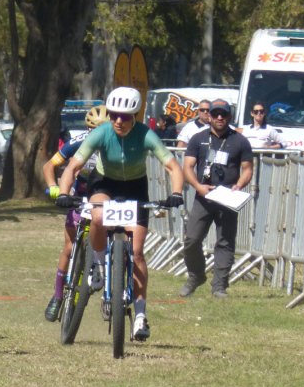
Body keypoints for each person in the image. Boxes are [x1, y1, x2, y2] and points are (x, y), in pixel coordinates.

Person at [55, 87, 185, 341]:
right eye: (114, 115)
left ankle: (139, 315)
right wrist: (62, 191)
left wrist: (177, 192)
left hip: (136, 187)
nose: (118, 121)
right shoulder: (102, 133)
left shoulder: (146, 135)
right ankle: (99, 266)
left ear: (135, 116)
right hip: (104, 183)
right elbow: (74, 165)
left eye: (125, 117)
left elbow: (171, 165)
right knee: (99, 216)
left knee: (136, 253)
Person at [178, 98, 254, 299]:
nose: (220, 117)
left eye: (224, 114)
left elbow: (247, 170)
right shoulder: (198, 139)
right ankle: (196, 275)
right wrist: (197, 186)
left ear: (229, 116)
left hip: (228, 197)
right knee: (192, 239)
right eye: (215, 114)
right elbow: (187, 167)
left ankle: (219, 286)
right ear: (208, 116)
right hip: (204, 196)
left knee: (225, 241)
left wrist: (240, 184)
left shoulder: (240, 141)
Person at [42, 104, 108, 322]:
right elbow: (49, 166)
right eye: (93, 130)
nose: (96, 135)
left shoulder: (116, 143)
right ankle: (58, 296)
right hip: (79, 193)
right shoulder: (79, 141)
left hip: (106, 193)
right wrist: (54, 188)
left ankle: (111, 289)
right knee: (70, 247)